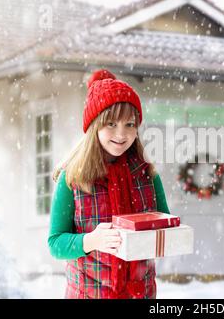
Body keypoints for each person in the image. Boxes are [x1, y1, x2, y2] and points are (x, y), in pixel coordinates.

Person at [47, 69, 170, 299]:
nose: (121, 134)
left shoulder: (147, 175)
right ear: (95, 126)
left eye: (130, 124)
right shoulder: (72, 178)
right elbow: (55, 243)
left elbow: (164, 226)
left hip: (140, 294)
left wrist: (155, 237)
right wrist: (90, 240)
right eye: (111, 124)